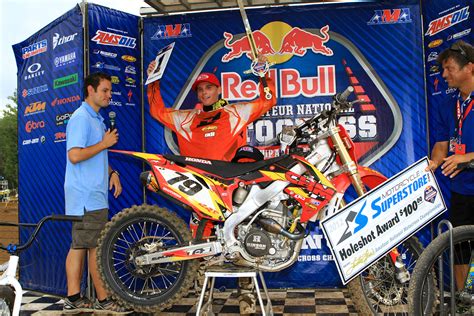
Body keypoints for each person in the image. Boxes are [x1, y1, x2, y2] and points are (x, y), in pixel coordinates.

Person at [147, 59, 277, 314]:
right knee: (199, 245)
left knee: (239, 242)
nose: (205, 93)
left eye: (209, 88)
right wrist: (153, 81)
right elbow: (157, 111)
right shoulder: (186, 118)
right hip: (199, 195)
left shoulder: (234, 112)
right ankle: (202, 299)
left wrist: (265, 77)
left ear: (218, 90)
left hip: (231, 194)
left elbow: (268, 101)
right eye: (200, 89)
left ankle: (247, 301)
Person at [63, 72, 130, 314]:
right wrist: (104, 143)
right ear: (90, 91)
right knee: (90, 247)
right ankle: (101, 301)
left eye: (110, 91)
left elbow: (95, 154)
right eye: (105, 91)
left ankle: (76, 298)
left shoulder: (97, 119)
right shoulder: (81, 118)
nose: (109, 95)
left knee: (85, 246)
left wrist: (113, 173)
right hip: (86, 195)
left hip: (93, 194)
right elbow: (75, 155)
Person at [427, 40, 474, 291]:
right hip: (461, 189)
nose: (444, 74)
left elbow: (462, 156)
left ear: (470, 68)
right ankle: (467, 299)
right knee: (461, 249)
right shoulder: (447, 104)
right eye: (443, 70)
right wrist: (434, 162)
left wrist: (466, 158)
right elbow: (441, 144)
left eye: (449, 69)